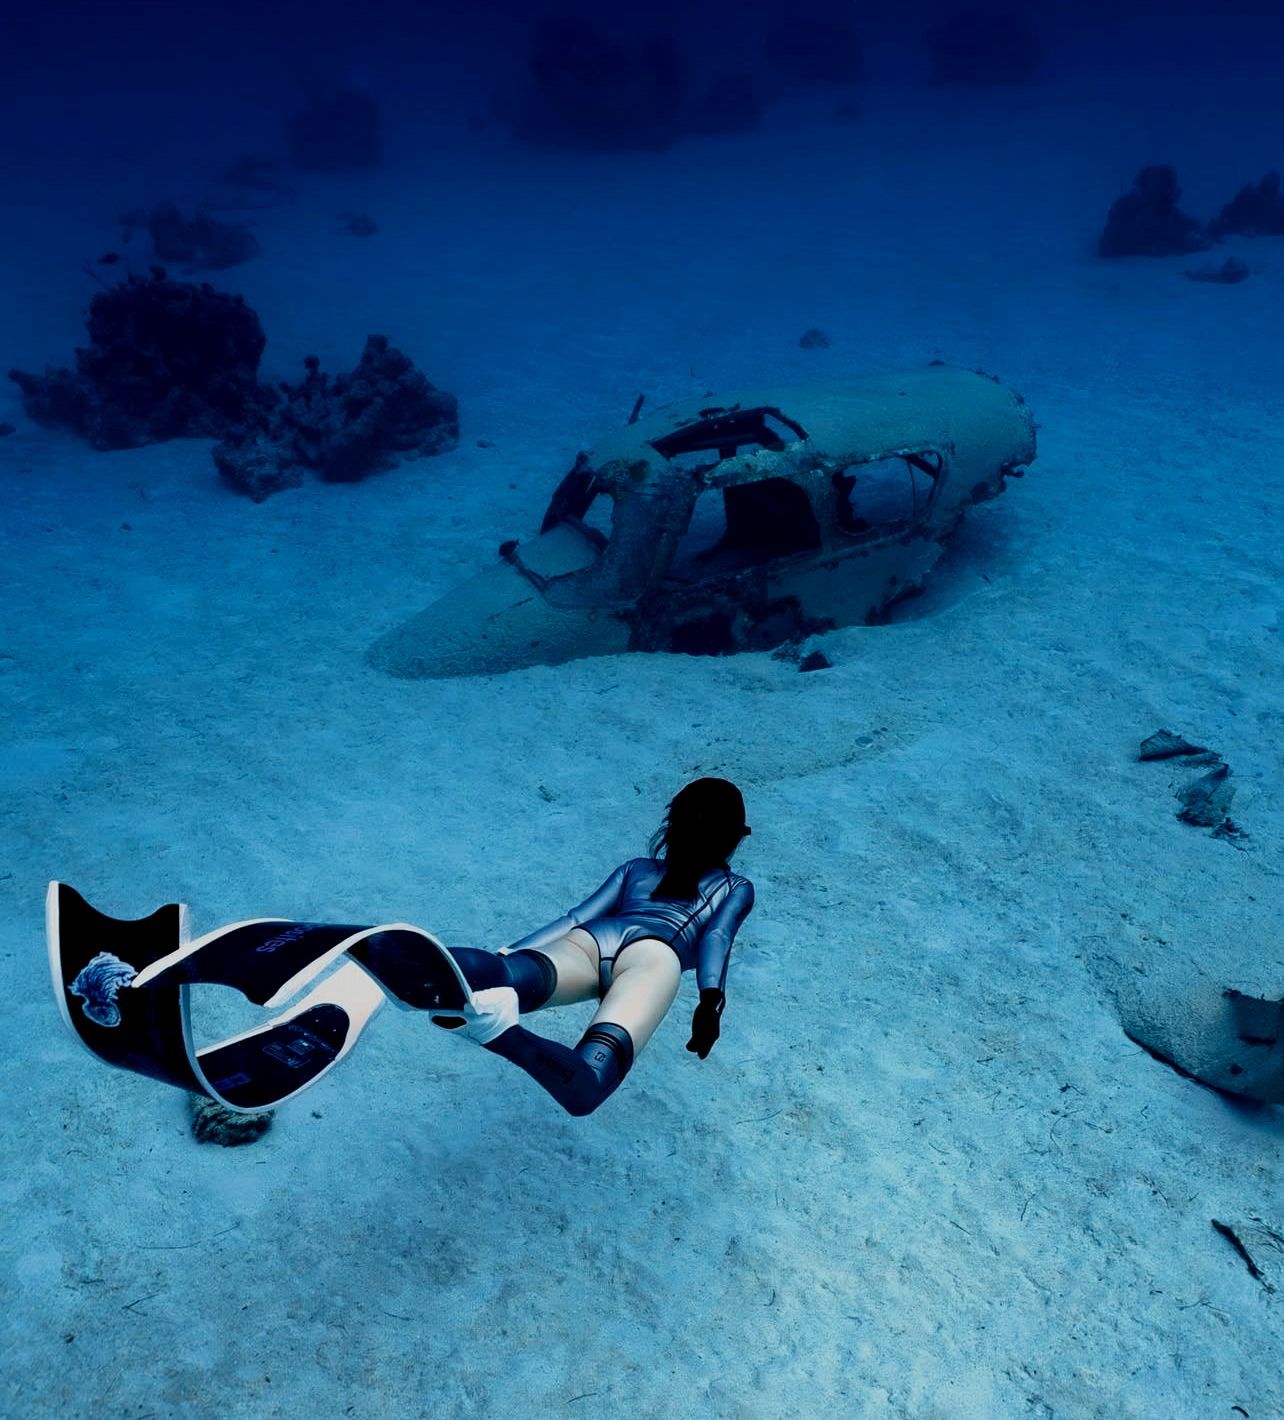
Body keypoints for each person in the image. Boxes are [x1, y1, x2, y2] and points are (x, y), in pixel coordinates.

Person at [353, 777, 754, 1116]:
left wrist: (507, 955)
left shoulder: (637, 868)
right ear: (734, 839)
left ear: (671, 825)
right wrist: (710, 1002)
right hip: (653, 961)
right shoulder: (735, 888)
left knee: (505, 976)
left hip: (595, 939)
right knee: (587, 1087)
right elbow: (716, 937)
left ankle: (377, 950)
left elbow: (575, 918)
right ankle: (496, 1029)